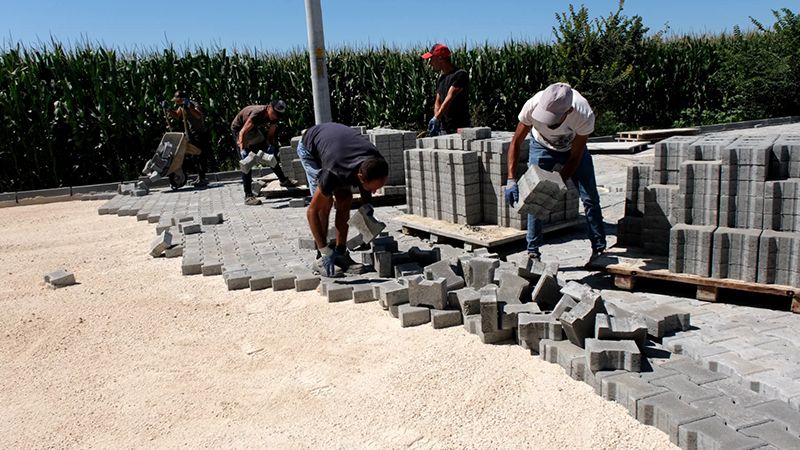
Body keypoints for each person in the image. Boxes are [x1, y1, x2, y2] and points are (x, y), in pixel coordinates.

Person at [504, 82, 607, 263]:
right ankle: (533, 252)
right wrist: (511, 179)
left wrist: (558, 183)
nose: (547, 123)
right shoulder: (532, 105)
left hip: (572, 149)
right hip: (541, 146)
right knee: (536, 198)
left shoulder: (583, 114)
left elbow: (575, 158)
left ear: (568, 112)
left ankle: (598, 248)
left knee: (590, 197)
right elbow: (516, 143)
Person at [297, 122, 389, 277]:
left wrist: (367, 209)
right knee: (323, 205)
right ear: (360, 177)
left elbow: (365, 187)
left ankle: (340, 252)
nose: (374, 192)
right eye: (372, 188)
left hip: (338, 148)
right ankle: (321, 257)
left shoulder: (376, 161)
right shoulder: (334, 171)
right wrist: (325, 251)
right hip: (310, 148)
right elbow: (311, 211)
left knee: (345, 198)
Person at [230, 101, 293, 206]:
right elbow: (242, 133)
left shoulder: (276, 116)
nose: (276, 116)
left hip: (253, 129)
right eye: (275, 113)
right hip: (240, 129)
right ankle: (248, 196)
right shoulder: (257, 113)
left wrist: (270, 147)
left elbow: (271, 135)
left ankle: (283, 180)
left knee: (269, 157)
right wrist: (242, 150)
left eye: (279, 115)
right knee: (246, 164)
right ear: (269, 107)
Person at [163, 90, 210, 188]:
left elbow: (198, 115)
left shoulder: (193, 104)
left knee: (200, 155)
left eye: (177, 100)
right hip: (191, 133)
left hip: (200, 133)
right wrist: (168, 109)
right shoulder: (181, 106)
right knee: (195, 155)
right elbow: (177, 115)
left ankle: (202, 178)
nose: (176, 102)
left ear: (183, 99)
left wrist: (189, 106)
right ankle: (200, 177)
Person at [421, 43, 470, 136]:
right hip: (444, 127)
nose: (430, 63)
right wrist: (437, 119)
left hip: (459, 127)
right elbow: (438, 101)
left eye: (431, 59)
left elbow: (449, 97)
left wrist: (436, 118)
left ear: (440, 58)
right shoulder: (441, 78)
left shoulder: (460, 75)